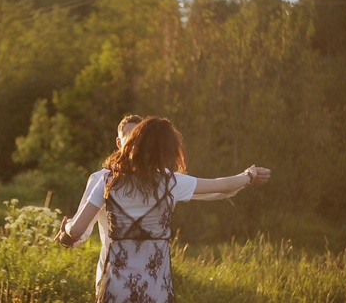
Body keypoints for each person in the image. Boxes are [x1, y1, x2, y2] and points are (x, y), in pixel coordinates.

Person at [55, 116, 271, 302]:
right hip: (156, 288)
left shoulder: (106, 181)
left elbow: (77, 230)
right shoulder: (171, 182)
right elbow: (222, 185)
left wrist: (66, 232)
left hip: (115, 287)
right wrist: (248, 175)